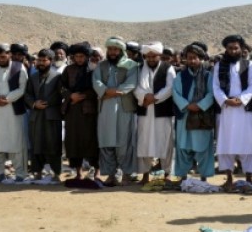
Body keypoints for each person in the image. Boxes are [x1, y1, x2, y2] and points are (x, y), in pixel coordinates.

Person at [92, 36, 139, 187]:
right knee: (106, 142)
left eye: (115, 49)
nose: (112, 52)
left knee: (124, 143)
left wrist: (113, 92)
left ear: (121, 50)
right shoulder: (101, 65)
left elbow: (131, 83)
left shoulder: (131, 65)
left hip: (124, 109)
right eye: (110, 49)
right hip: (105, 109)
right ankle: (111, 175)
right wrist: (106, 91)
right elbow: (96, 81)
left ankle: (126, 175)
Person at [213, 34, 252, 189]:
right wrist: (226, 100)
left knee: (247, 143)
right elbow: (216, 87)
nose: (233, 51)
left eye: (236, 48)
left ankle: (248, 178)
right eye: (230, 48)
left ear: (241, 49)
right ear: (226, 49)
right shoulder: (219, 65)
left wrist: (241, 99)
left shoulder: (249, 65)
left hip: (244, 110)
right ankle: (229, 178)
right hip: (227, 110)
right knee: (226, 144)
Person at [0, 43, 28, 182]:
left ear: (9, 54)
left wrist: (7, 99)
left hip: (13, 112)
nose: (0, 59)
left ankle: (20, 174)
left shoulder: (19, 67)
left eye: (3, 56)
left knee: (16, 142)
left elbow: (22, 88)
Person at [133, 42, 175, 184]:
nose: (151, 59)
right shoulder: (139, 69)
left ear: (159, 55)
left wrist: (155, 98)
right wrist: (145, 97)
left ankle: (167, 173)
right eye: (148, 56)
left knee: (165, 141)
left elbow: (170, 87)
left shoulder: (168, 68)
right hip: (144, 110)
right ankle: (145, 175)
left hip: (162, 110)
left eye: (154, 56)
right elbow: (135, 87)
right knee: (144, 142)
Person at [172, 44, 216, 181]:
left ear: (201, 59)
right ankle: (183, 177)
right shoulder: (180, 76)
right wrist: (187, 105)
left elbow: (211, 93)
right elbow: (175, 93)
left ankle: (204, 178)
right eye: (189, 58)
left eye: (195, 58)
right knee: (183, 147)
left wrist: (200, 106)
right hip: (185, 115)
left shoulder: (208, 76)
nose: (191, 61)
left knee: (203, 148)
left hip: (202, 116)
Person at [60, 42, 99, 180]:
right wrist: (70, 96)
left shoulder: (93, 70)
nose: (79, 59)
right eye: (76, 56)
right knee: (73, 141)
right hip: (72, 110)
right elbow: (61, 87)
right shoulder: (68, 70)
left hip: (89, 110)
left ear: (87, 56)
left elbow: (97, 89)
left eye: (82, 56)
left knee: (91, 140)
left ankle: (96, 172)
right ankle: (78, 172)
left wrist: (83, 96)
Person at [25, 49, 63, 180]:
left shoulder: (57, 76)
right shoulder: (33, 77)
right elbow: (27, 94)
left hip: (52, 116)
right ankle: (37, 172)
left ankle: (56, 173)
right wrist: (34, 104)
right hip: (36, 115)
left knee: (53, 144)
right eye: (39, 60)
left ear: (51, 61)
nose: (41, 63)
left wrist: (47, 103)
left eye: (44, 60)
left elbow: (61, 94)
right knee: (36, 144)